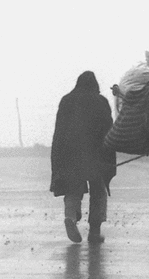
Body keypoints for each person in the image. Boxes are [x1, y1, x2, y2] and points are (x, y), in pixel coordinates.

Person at [49, 71, 117, 244]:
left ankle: (70, 217)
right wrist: (110, 158)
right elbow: (109, 130)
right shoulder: (100, 101)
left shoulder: (66, 101)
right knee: (98, 190)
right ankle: (94, 231)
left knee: (73, 188)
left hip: (70, 154)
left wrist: (57, 159)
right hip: (96, 154)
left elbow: (59, 131)